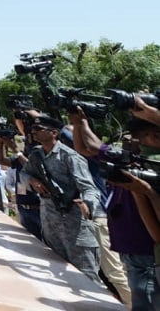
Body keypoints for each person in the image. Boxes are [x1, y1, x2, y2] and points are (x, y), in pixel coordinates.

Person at [69, 103, 159, 309]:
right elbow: (86, 147)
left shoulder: (153, 167)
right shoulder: (122, 159)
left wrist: (142, 190)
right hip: (128, 247)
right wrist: (79, 122)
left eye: (134, 136)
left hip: (147, 251)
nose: (127, 140)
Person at [22, 114, 101, 284]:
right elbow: (24, 173)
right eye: (33, 129)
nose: (33, 132)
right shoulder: (36, 155)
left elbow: (89, 188)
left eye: (39, 129)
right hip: (51, 225)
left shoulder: (69, 157)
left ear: (54, 133)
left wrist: (87, 204)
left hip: (74, 225)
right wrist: (31, 181)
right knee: (58, 274)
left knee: (87, 278)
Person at [0, 135, 42, 241]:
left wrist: (15, 149)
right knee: (31, 243)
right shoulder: (19, 158)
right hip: (23, 208)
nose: (27, 145)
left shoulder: (39, 157)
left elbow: (30, 167)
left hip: (38, 209)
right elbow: (0, 160)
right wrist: (0, 143)